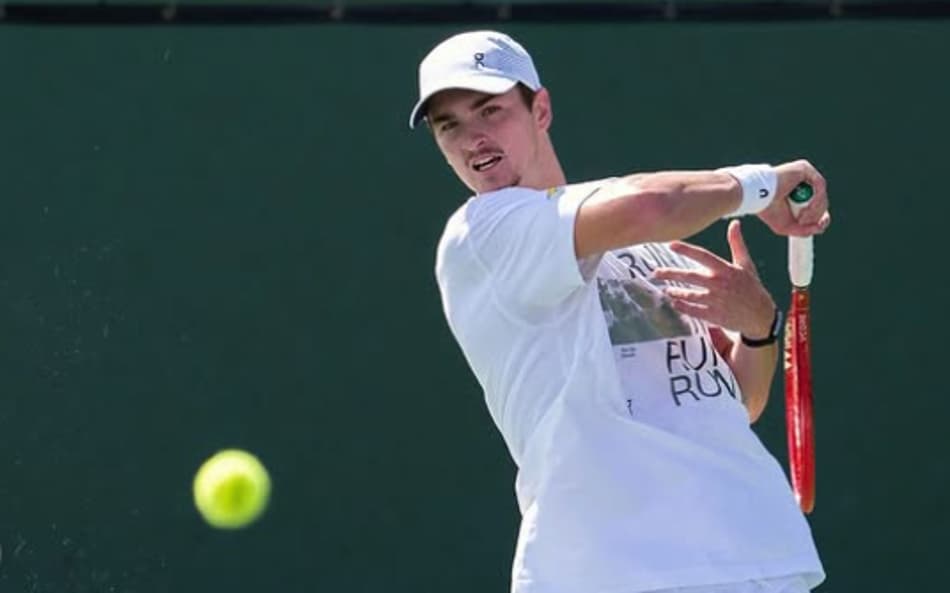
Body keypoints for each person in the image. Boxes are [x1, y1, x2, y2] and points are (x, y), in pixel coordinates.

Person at [409, 30, 830, 593]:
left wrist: (758, 329)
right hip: (614, 572)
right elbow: (655, 203)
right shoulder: (484, 233)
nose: (473, 138)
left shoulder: (638, 239)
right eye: (449, 125)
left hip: (751, 557)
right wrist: (762, 184)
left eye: (490, 110)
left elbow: (731, 401)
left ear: (542, 109)